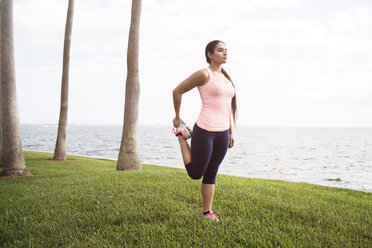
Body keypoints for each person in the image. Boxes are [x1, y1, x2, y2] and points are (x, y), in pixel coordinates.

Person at [172, 40, 237, 221]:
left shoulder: (226, 78)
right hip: (205, 131)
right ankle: (181, 137)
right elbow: (177, 91)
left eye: (226, 50)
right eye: (220, 50)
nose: (225, 53)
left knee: (212, 172)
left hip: (222, 133)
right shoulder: (204, 74)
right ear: (210, 54)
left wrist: (231, 131)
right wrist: (177, 117)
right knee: (195, 173)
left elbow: (227, 107)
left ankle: (207, 212)